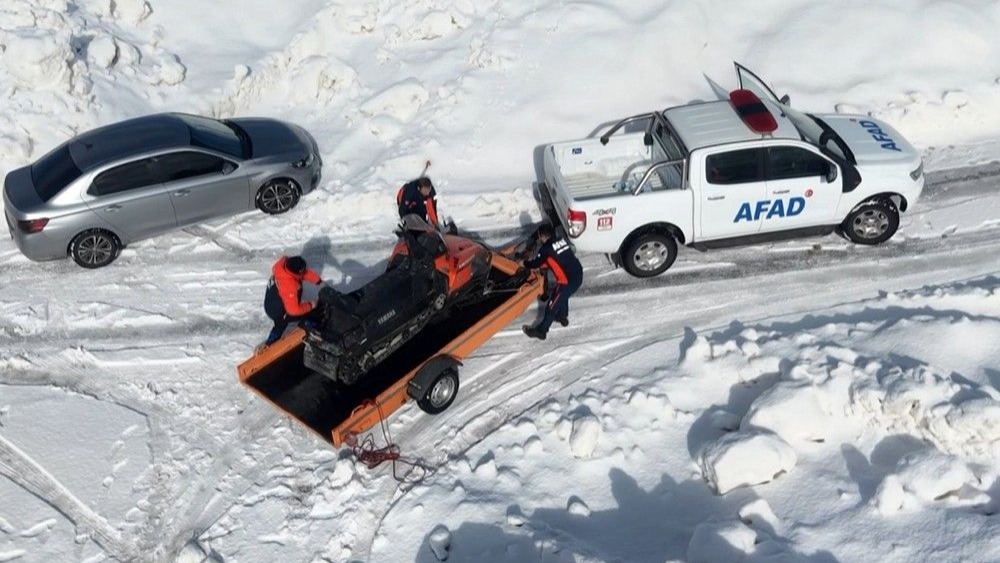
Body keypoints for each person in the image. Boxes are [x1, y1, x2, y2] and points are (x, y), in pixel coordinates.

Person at [522, 223, 583, 340]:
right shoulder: (560, 240)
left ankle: (541, 331)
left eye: (539, 236)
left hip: (566, 281)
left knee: (551, 306)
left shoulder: (546, 248)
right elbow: (555, 258)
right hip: (578, 274)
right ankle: (562, 316)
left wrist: (524, 263)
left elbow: (536, 263)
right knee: (562, 295)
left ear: (541, 236)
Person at [261, 255, 324, 349]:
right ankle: (269, 344)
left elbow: (304, 273)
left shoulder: (284, 263)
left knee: (295, 301)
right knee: (283, 321)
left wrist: (319, 281)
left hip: (274, 296)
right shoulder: (290, 287)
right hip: (275, 309)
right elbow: (294, 311)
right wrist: (311, 305)